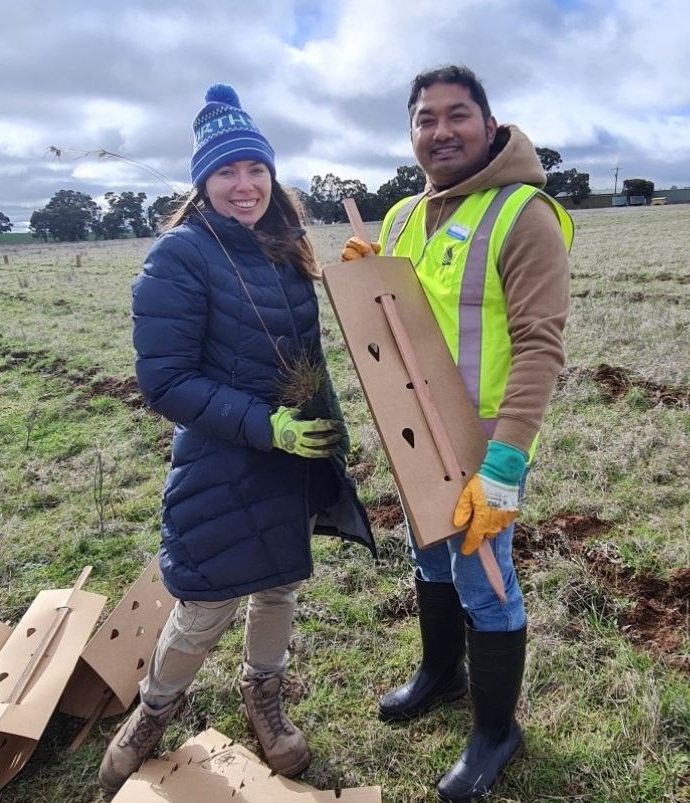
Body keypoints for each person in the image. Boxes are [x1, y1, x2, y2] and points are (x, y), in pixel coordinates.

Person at [98, 83, 375, 794]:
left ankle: (264, 697)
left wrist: (365, 275)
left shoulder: (286, 248)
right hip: (225, 459)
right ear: (203, 181)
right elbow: (165, 380)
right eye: (227, 172)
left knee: (279, 584)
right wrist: (265, 426)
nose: (244, 184)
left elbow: (307, 353)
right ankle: (154, 709)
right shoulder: (178, 258)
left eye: (255, 169)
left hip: (292, 456)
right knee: (205, 602)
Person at [340, 64, 572, 802]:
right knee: (431, 558)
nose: (440, 130)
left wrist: (504, 465)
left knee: (486, 580)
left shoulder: (523, 214)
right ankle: (442, 674)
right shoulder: (405, 215)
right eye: (424, 118)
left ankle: (496, 729)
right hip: (417, 434)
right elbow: (407, 317)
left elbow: (540, 346)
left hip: (483, 445)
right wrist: (369, 276)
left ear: (489, 122)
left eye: (457, 114)